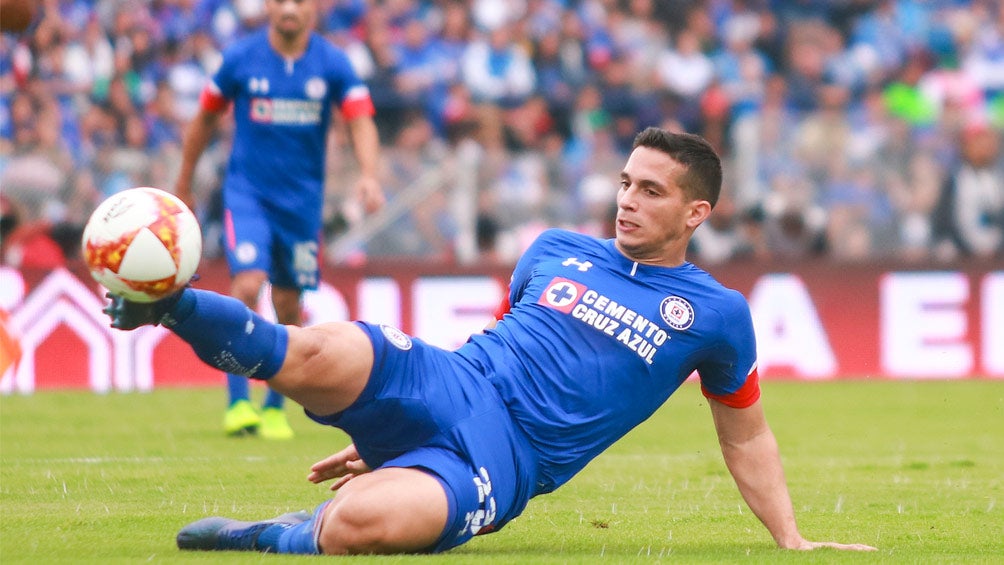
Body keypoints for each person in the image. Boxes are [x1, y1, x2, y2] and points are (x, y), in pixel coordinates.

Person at [105, 128, 877, 555]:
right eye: (624, 182)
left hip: (504, 459)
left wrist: (792, 538)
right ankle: (165, 304)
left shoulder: (717, 314)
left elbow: (747, 435)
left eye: (651, 191)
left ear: (696, 213)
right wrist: (388, 429)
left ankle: (277, 536)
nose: (627, 200)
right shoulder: (553, 248)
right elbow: (501, 336)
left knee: (358, 527)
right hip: (449, 377)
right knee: (314, 350)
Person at [173, 0, 385, 439]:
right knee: (248, 284)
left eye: (299, 1)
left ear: (314, 8)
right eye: (281, 0)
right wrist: (184, 180)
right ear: (268, 6)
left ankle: (273, 406)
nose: (289, 7)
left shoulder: (332, 62)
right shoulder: (240, 58)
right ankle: (238, 404)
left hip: (302, 205)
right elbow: (205, 118)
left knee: (288, 304)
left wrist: (368, 174)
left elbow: (361, 119)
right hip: (247, 194)